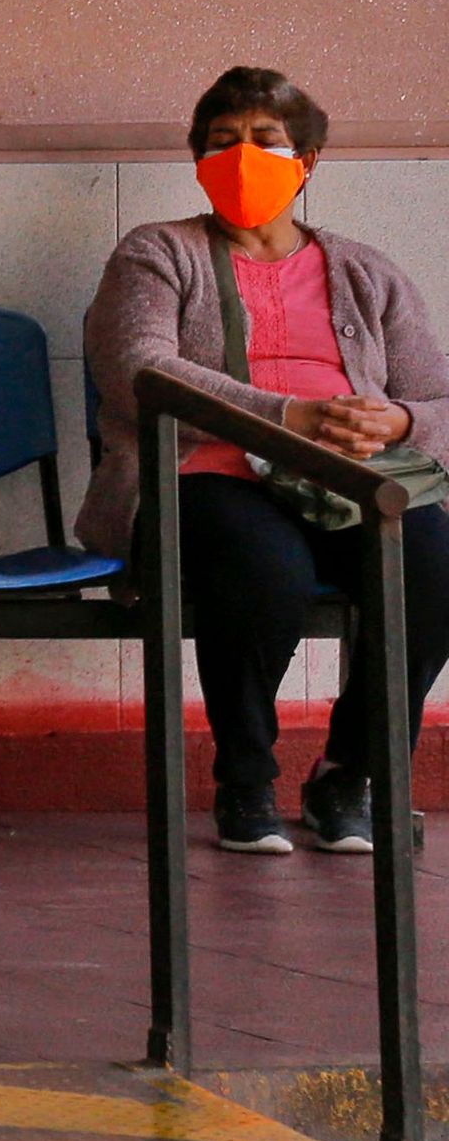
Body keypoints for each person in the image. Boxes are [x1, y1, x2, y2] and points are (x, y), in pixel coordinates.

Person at [83, 67, 449, 856]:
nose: (242, 157)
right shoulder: (158, 253)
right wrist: (288, 415)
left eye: (265, 141)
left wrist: (398, 417)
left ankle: (348, 772)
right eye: (222, 143)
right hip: (205, 475)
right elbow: (141, 369)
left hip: (351, 479)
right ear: (197, 159)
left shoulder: (366, 271)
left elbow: (439, 397)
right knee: (263, 568)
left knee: (433, 564)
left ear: (307, 160)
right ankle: (245, 778)